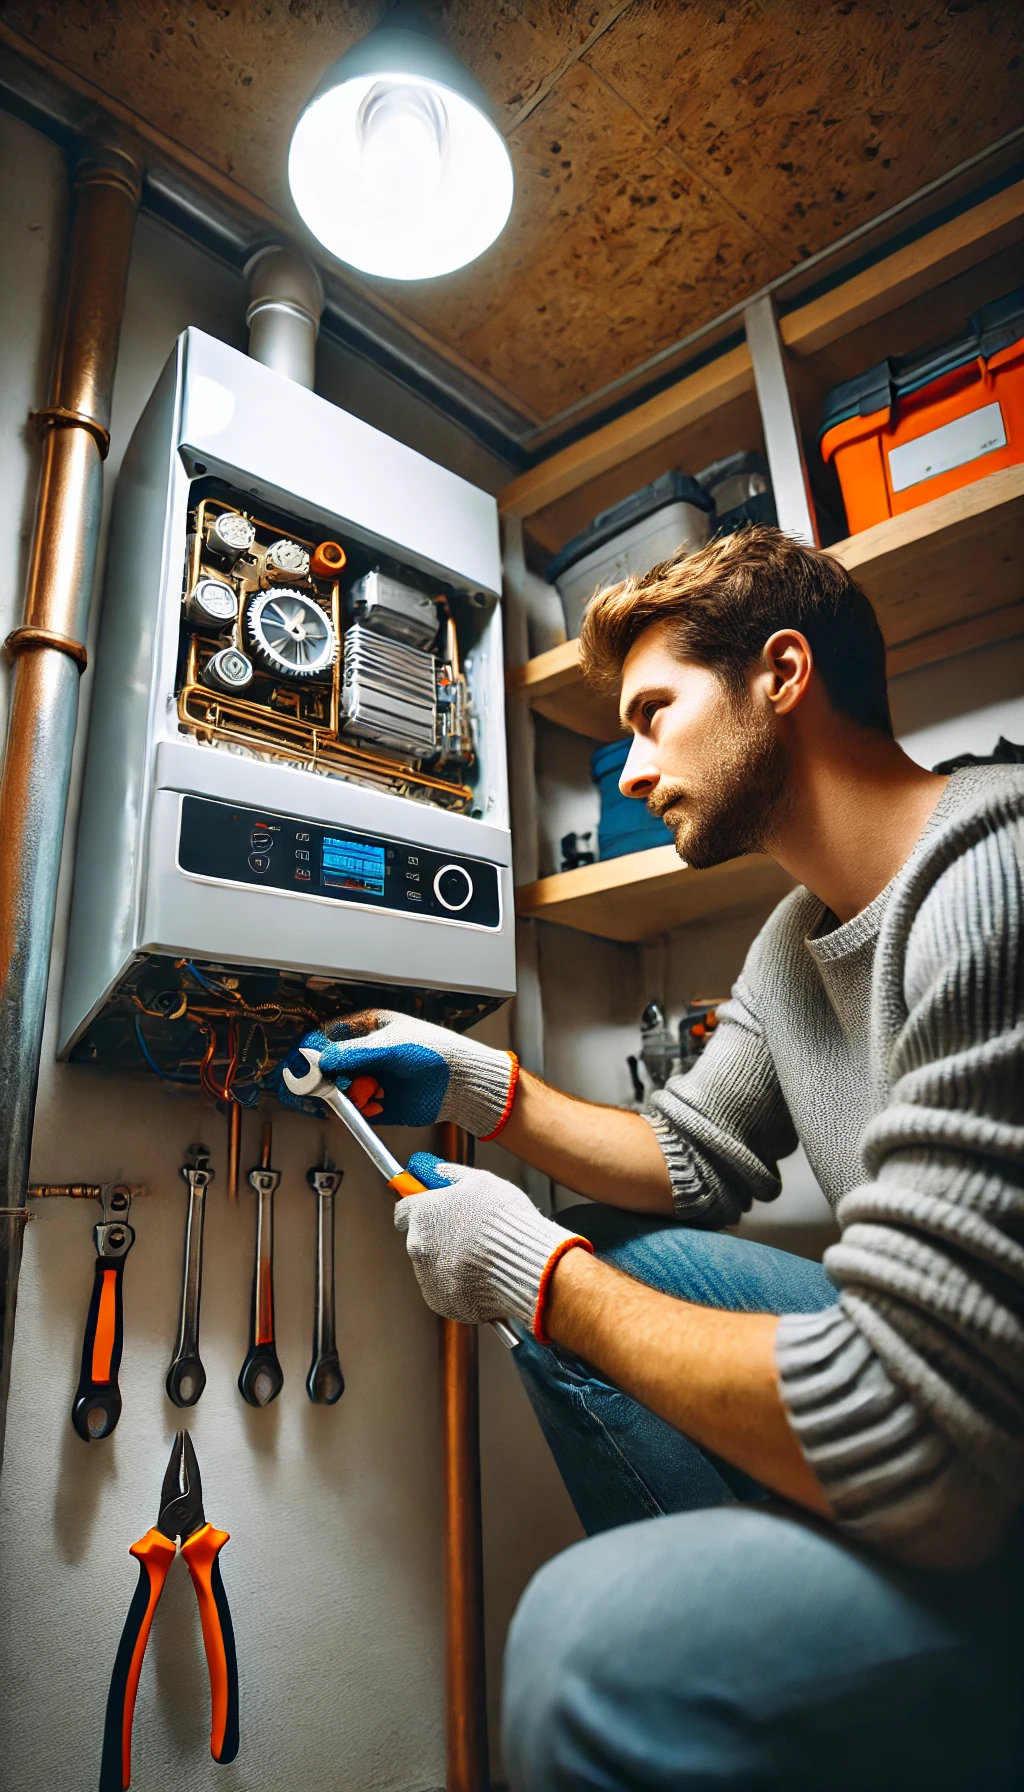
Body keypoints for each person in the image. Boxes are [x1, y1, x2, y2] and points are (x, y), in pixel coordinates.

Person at [297, 528, 1023, 1789]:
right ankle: (768, 1665)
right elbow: (687, 1152)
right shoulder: (799, 938)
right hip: (953, 1426)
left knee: (596, 1645)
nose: (629, 771)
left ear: (779, 675)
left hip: (980, 1461)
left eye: (652, 713)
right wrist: (481, 1086)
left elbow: (923, 1427)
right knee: (630, 1245)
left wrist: (537, 1273)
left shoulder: (990, 878)